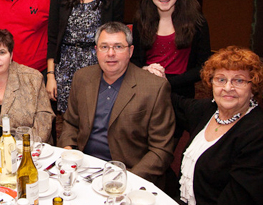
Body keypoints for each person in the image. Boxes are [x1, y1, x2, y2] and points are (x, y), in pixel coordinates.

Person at [58, 22, 175, 189]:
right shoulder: (82, 78)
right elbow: (70, 123)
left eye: (118, 47)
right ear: (96, 50)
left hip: (129, 174)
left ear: (130, 51)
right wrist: (69, 150)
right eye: (104, 47)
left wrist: (128, 179)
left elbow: (161, 150)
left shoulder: (154, 88)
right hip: (84, 168)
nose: (110, 53)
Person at [172, 46, 263, 205]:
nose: (227, 88)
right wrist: (154, 77)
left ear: (253, 86)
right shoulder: (207, 110)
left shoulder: (259, 132)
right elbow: (174, 101)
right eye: (221, 79)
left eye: (238, 80)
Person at [47, 0, 124, 113]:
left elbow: (118, 40)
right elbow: (52, 39)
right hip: (66, 68)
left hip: (99, 67)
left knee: (98, 119)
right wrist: (51, 76)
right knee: (70, 122)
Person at [132, 0, 211, 98]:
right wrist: (145, 70)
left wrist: (168, 81)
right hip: (146, 88)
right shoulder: (141, 20)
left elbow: (203, 66)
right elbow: (134, 59)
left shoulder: (197, 22)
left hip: (181, 92)